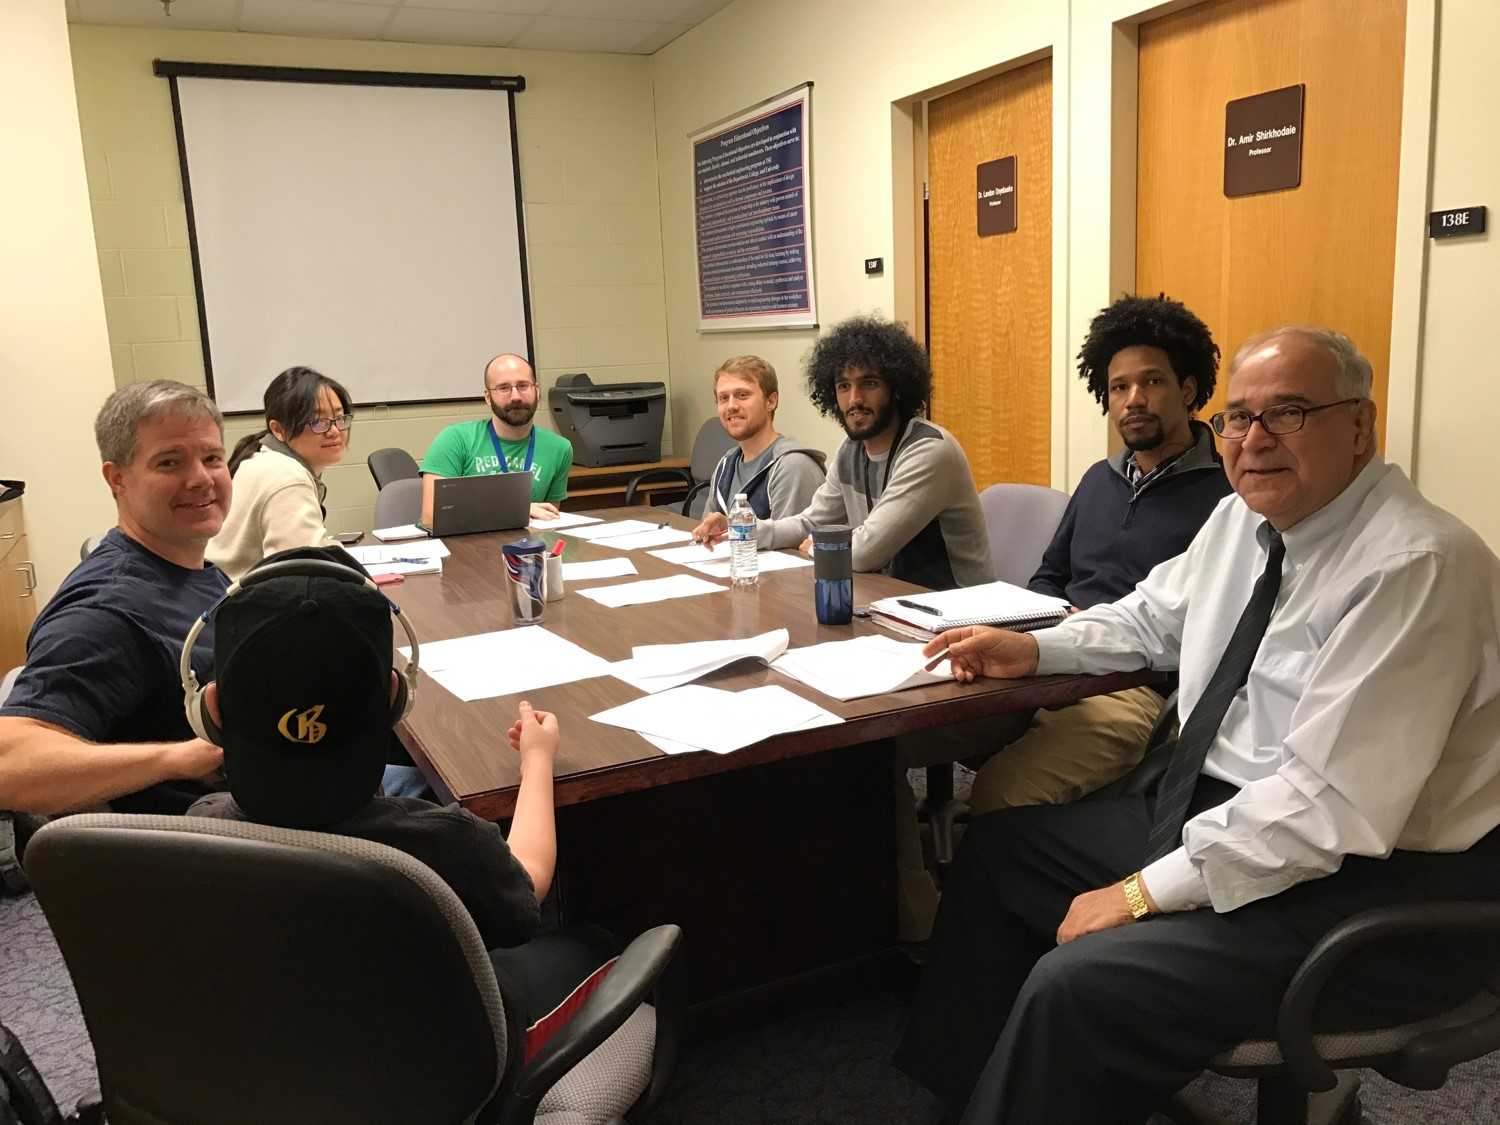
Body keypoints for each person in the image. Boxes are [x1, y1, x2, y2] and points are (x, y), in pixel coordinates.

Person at [894, 326, 1500, 1123]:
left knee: (1082, 980)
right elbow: (1149, 619)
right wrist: (1033, 649)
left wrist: (1141, 893)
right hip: (1228, 814)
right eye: (1238, 418)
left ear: (1361, 424)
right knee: (1001, 856)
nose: (1253, 439)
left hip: (1366, 884)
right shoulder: (1238, 523)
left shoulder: (1415, 565)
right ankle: (976, 1094)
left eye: (1288, 412)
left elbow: (1327, 808)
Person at [895, 295, 1232, 943]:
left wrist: (1089, 634)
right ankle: (920, 924)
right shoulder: (1098, 481)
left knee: (997, 795)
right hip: (1042, 664)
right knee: (880, 749)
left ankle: (991, 940)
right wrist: (1044, 621)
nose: (1133, 398)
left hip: (1128, 693)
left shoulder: (1225, 502)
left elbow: (1197, 634)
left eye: (1152, 382)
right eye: (1118, 387)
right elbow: (1049, 577)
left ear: (1188, 390)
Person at [188, 546, 618, 1029]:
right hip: (441, 1084)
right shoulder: (449, 846)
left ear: (211, 709)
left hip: (267, 1065)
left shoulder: (198, 829)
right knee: (593, 943)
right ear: (396, 697)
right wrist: (537, 760)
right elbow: (530, 878)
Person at [0, 380, 229, 814]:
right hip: (229, 846)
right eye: (169, 462)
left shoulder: (187, 568)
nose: (201, 479)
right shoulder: (108, 612)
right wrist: (176, 759)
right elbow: (9, 765)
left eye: (212, 458)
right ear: (117, 478)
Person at [700, 315, 990, 589]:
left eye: (869, 383)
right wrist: (743, 530)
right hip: (888, 601)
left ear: (896, 387)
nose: (855, 398)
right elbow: (811, 522)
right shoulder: (851, 449)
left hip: (957, 612)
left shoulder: (928, 451)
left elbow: (865, 551)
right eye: (843, 386)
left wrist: (816, 546)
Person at [207, 365, 351, 581]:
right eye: (318, 422)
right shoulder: (287, 475)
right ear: (279, 430)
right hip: (245, 607)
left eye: (340, 418)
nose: (334, 431)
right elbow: (306, 574)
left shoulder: (260, 457)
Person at [420, 354, 572, 526]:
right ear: (487, 397)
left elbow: (547, 519)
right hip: (460, 547)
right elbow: (431, 518)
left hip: (521, 547)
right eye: (503, 388)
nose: (515, 396)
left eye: (523, 386)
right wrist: (516, 509)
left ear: (536, 391)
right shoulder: (455, 439)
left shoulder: (559, 448)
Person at [688, 355, 824, 534]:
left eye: (742, 395)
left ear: (771, 401)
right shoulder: (726, 465)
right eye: (723, 398)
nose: (731, 406)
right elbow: (708, 533)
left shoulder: (793, 467)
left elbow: (789, 548)